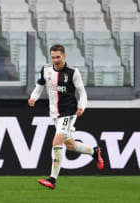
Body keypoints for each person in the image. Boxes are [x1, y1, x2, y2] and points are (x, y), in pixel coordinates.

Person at [28, 44, 104, 189]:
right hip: (54, 114)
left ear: (64, 56)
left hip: (68, 113)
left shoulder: (73, 72)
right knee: (70, 145)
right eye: (53, 57)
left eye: (58, 57)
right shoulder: (46, 70)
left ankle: (52, 179)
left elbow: (82, 93)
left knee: (56, 142)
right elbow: (39, 87)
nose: (55, 60)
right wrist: (33, 98)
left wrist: (82, 106)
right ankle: (94, 152)